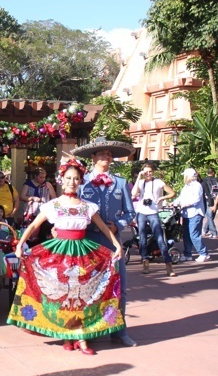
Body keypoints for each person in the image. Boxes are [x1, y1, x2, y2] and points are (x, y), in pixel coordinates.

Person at [8, 159, 124, 355]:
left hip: (83, 254)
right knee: (62, 298)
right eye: (69, 178)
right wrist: (20, 244)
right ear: (62, 180)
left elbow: (103, 227)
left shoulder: (88, 206)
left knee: (84, 297)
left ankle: (82, 338)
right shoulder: (53, 205)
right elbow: (34, 225)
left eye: (76, 178)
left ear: (80, 181)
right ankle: (67, 336)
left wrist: (116, 245)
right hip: (58, 254)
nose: (72, 181)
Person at [71, 137, 137, 347]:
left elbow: (130, 212)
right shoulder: (82, 182)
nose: (106, 157)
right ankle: (87, 332)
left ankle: (119, 331)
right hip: (88, 241)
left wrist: (117, 225)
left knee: (120, 287)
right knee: (89, 287)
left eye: (109, 154)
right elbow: (71, 206)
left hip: (112, 242)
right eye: (102, 154)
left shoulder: (120, 182)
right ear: (93, 157)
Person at [131, 162, 176, 276]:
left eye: (150, 171)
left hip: (153, 213)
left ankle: (168, 265)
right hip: (141, 212)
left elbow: (172, 193)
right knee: (142, 239)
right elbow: (134, 193)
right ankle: (145, 261)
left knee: (160, 238)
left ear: (153, 172)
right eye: (146, 172)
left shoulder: (158, 182)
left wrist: (161, 198)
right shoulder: (140, 182)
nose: (148, 174)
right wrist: (139, 178)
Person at [172, 168, 211, 262]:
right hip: (186, 214)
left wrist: (187, 204)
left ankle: (203, 253)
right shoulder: (186, 186)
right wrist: (174, 202)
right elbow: (181, 197)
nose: (184, 177)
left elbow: (197, 199)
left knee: (194, 235)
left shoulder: (197, 186)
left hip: (195, 213)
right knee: (186, 235)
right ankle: (187, 254)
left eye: (185, 175)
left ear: (189, 176)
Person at [20, 167, 57, 242]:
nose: (43, 179)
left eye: (44, 177)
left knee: (44, 233)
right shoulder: (28, 184)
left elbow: (54, 197)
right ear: (35, 176)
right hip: (32, 213)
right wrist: (32, 198)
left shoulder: (48, 185)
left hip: (44, 213)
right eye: (41, 177)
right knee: (31, 234)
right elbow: (22, 196)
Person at [201, 168, 218, 238]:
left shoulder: (204, 180)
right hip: (216, 200)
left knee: (209, 217)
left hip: (207, 200)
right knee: (211, 217)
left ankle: (213, 232)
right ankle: (206, 230)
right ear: (213, 173)